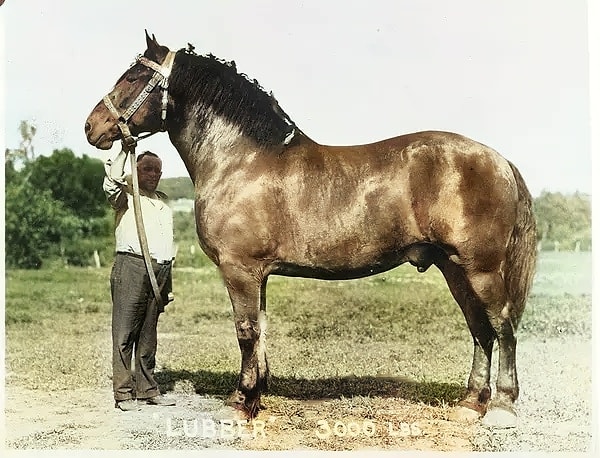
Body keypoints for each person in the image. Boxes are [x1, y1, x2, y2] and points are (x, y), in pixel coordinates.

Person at [103, 149, 176, 411]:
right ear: (135, 171)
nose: (154, 175)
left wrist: (168, 285)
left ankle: (147, 390)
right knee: (124, 333)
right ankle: (123, 393)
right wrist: (124, 149)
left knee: (148, 336)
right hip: (131, 266)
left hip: (160, 271)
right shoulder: (126, 197)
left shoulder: (163, 203)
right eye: (147, 169)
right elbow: (111, 181)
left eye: (157, 170)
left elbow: (167, 246)